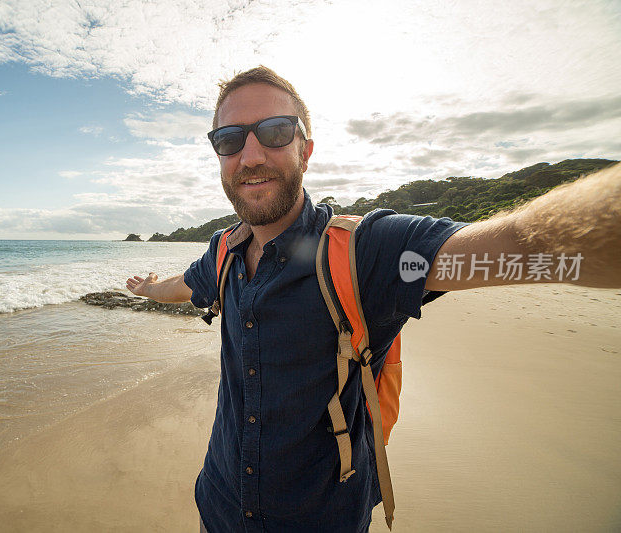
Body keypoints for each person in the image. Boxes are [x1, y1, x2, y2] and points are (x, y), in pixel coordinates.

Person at [126, 66, 621, 532]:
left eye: (275, 131)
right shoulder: (224, 251)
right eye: (230, 139)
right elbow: (185, 286)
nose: (251, 155)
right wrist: (148, 288)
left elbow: (520, 243)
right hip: (220, 505)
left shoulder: (368, 252)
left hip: (324, 518)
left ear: (306, 149)